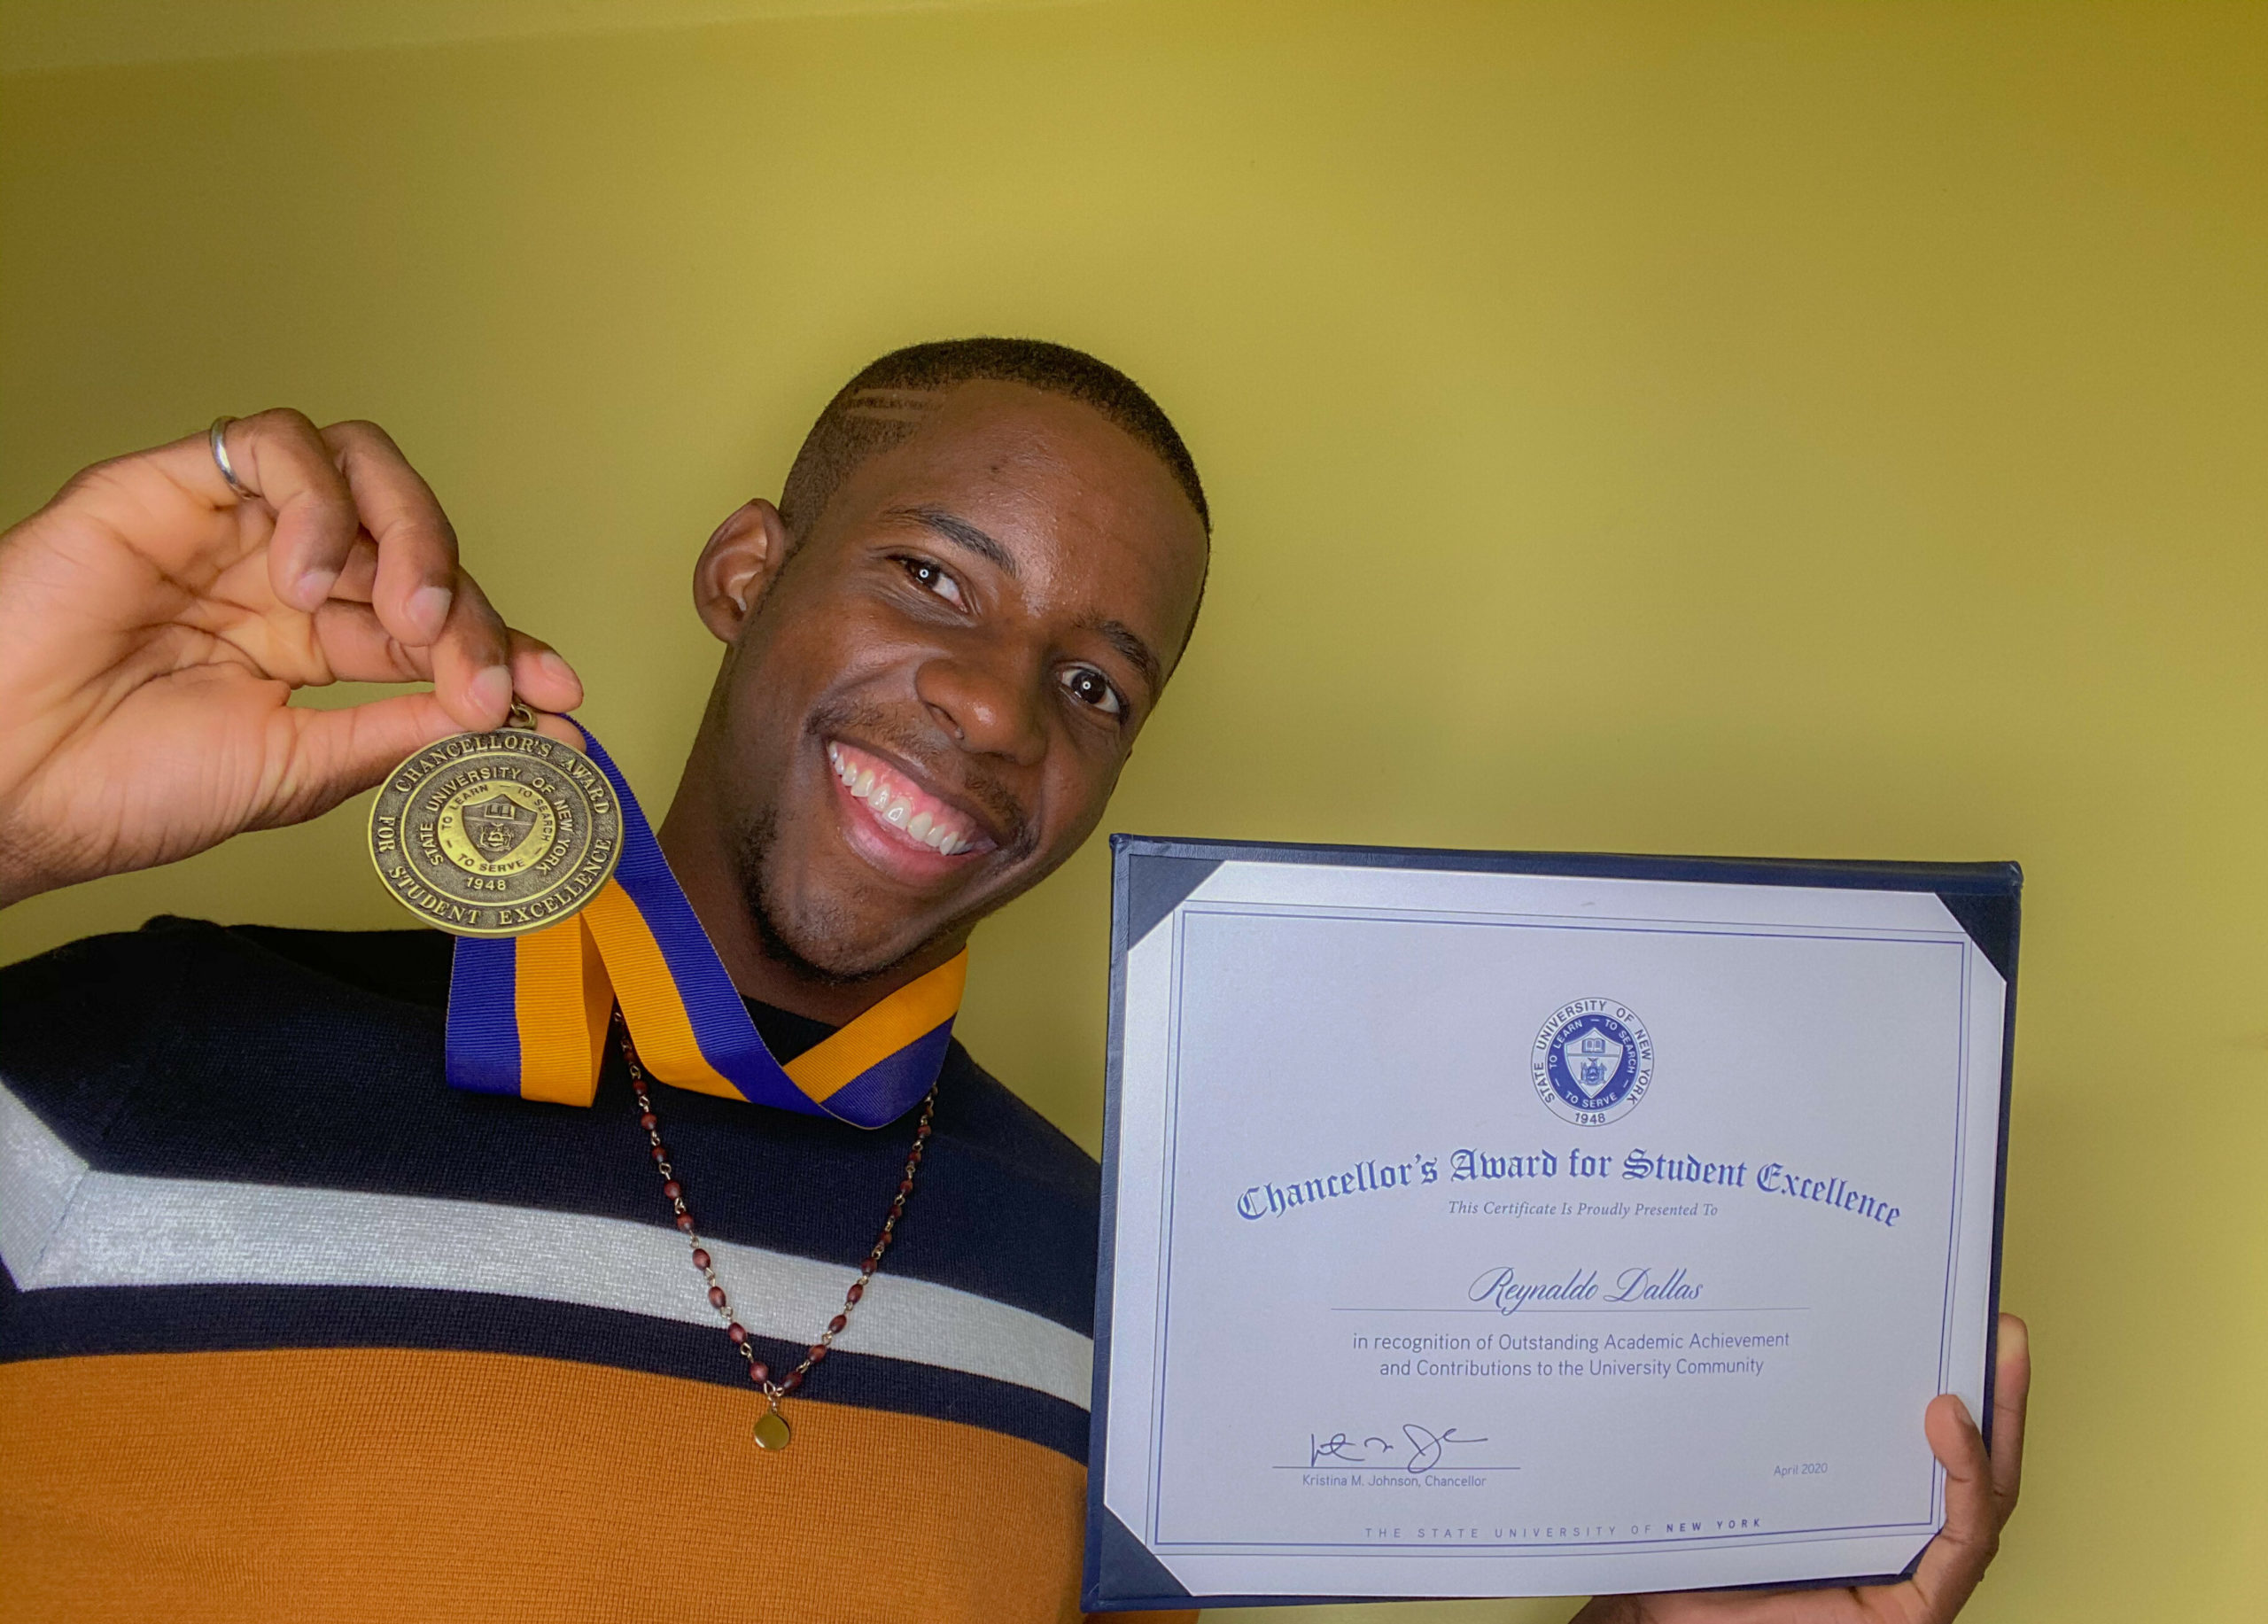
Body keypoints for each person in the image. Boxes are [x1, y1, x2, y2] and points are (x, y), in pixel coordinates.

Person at [0, 340, 2026, 1622]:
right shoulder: (131, 1060)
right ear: (744, 571)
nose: (987, 704)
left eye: (1092, 680)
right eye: (932, 576)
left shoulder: (1144, 1297)